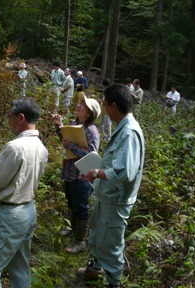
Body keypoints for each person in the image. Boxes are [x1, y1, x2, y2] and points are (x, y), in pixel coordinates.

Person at [0, 98, 49, 288]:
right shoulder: (41, 147)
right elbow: (18, 177)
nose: (9, 121)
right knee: (20, 267)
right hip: (27, 211)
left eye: (10, 117)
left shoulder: (15, 147)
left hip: (8, 216)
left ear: (21, 117)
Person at [77, 83, 145, 288]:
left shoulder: (129, 133)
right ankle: (95, 269)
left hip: (117, 200)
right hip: (107, 196)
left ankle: (114, 283)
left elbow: (125, 172)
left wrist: (96, 172)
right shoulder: (123, 128)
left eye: (105, 104)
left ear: (114, 106)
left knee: (112, 243)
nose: (104, 109)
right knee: (98, 234)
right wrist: (96, 175)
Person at [51, 92, 100, 254]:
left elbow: (92, 156)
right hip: (70, 172)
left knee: (81, 207)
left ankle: (81, 241)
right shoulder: (74, 124)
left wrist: (71, 146)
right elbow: (65, 142)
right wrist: (59, 126)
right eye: (80, 104)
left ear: (90, 113)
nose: (79, 106)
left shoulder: (92, 132)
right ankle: (74, 230)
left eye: (84, 106)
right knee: (71, 203)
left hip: (82, 176)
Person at [99, 78, 112, 143]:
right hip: (103, 110)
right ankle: (102, 136)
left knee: (107, 124)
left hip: (108, 111)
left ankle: (108, 138)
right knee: (101, 124)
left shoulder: (111, 92)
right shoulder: (105, 91)